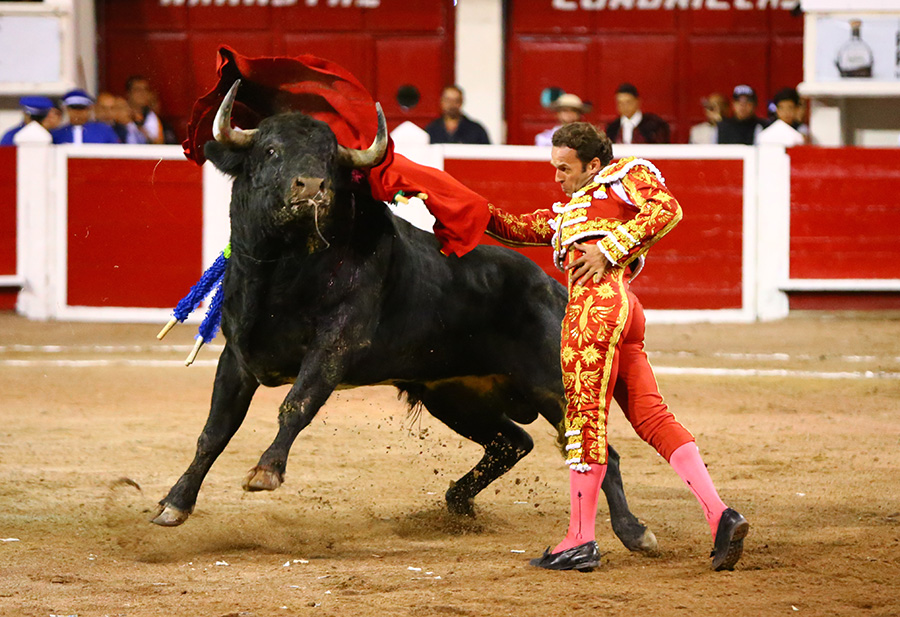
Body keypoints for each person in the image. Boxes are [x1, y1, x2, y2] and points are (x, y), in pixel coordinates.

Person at [485, 122, 749, 572]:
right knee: (652, 416)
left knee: (584, 421)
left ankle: (580, 540)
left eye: (564, 168)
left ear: (593, 164)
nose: (557, 177)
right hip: (624, 310)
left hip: (595, 308)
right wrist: (445, 200)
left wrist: (610, 249)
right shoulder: (570, 211)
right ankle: (720, 515)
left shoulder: (624, 174)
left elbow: (667, 208)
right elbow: (513, 227)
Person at [605, 83, 670, 144]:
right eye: (620, 103)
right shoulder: (612, 128)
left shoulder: (655, 126)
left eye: (628, 102)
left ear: (638, 102)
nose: (624, 107)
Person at [425, 85, 490, 144]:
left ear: (461, 102)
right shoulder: (432, 129)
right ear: (441, 102)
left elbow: (487, 151)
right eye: (448, 100)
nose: (451, 104)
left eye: (456, 101)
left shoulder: (476, 130)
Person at [52, 89, 120, 144]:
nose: (78, 112)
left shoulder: (105, 130)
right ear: (67, 109)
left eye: (82, 108)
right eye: (74, 108)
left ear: (89, 109)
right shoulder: (57, 134)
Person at [126, 75, 165, 144]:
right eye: (138, 90)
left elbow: (160, 142)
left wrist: (142, 130)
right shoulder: (120, 113)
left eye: (145, 90)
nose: (142, 93)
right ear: (128, 93)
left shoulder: (151, 116)